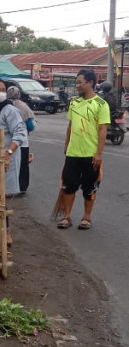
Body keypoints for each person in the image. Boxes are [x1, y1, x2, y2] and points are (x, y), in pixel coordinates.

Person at [56, 69, 110, 230]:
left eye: (80, 82)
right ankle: (66, 216)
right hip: (73, 153)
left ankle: (86, 217)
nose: (77, 85)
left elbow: (102, 130)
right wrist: (66, 145)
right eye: (77, 82)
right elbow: (70, 126)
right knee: (68, 186)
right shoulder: (74, 102)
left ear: (90, 83)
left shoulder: (101, 104)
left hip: (90, 154)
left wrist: (99, 153)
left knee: (89, 188)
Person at [0, 77, 26, 247]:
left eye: (3, 89)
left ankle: (2, 236)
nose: (0, 92)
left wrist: (8, 153)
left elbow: (20, 134)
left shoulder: (10, 110)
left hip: (7, 158)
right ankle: (2, 234)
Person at [7, 86, 35, 193]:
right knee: (23, 165)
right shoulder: (23, 107)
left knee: (11, 165)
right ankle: (22, 187)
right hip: (22, 142)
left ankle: (10, 187)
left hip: (10, 142)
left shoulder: (5, 106)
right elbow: (31, 125)